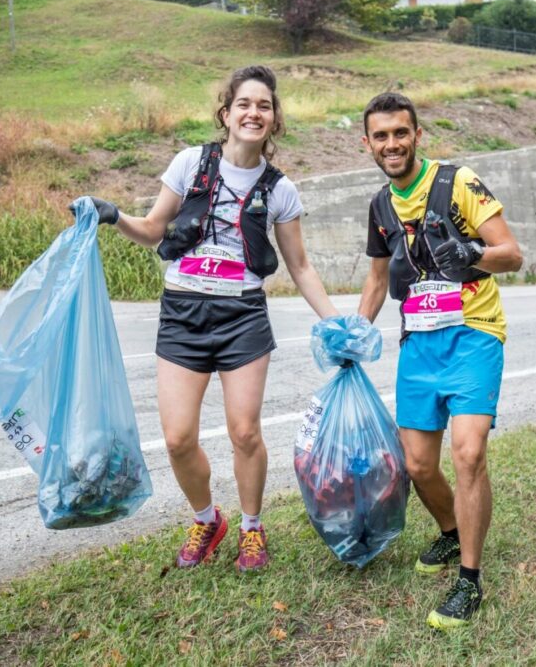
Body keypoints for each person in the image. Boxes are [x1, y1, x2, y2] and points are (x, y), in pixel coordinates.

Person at [73, 65, 339, 572]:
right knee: (176, 438)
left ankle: (251, 528)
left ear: (274, 118)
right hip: (182, 313)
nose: (253, 113)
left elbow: (300, 266)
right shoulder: (191, 163)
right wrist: (110, 215)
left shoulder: (280, 190)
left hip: (242, 315)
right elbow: (153, 230)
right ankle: (206, 518)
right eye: (244, 104)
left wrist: (334, 321)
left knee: (244, 432)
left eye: (264, 105)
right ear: (227, 113)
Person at [356, 92, 523, 629]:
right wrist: (356, 334)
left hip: (474, 333)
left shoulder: (458, 183)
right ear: (368, 144)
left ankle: (470, 583)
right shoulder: (381, 206)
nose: (392, 144)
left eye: (400, 133)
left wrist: (473, 254)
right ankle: (452, 534)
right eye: (381, 136)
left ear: (417, 134)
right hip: (419, 343)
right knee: (419, 466)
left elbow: (513, 255)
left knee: (468, 454)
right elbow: (379, 279)